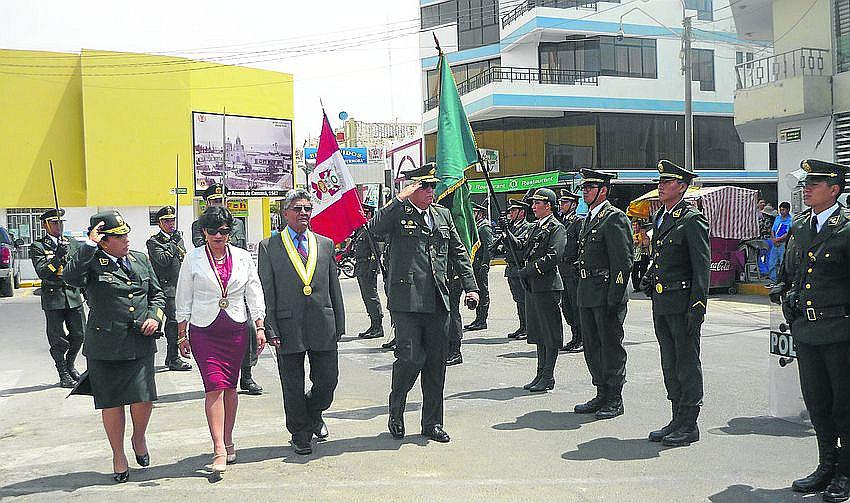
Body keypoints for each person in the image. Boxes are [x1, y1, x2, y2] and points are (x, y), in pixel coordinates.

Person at [368, 164, 478, 443]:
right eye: (424, 186)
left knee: (435, 365)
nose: (431, 191)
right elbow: (375, 227)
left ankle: (432, 423)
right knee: (409, 359)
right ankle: (396, 411)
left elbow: (458, 251)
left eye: (432, 186)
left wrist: (471, 287)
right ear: (412, 189)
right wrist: (399, 198)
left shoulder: (442, 214)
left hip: (438, 300)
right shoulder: (398, 213)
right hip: (406, 302)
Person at [64, 210, 165, 483]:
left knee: (144, 398)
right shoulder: (91, 262)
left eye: (126, 234)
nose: (126, 240)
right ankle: (118, 454)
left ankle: (139, 437)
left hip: (139, 342)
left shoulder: (140, 260)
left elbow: (157, 295)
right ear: (103, 241)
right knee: (112, 403)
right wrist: (87, 245)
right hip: (106, 345)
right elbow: (70, 278)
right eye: (119, 237)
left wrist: (155, 317)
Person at [772, 159, 850, 501]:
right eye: (806, 184)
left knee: (843, 406)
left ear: (834, 190)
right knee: (817, 403)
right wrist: (783, 289)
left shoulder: (846, 227)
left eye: (814, 184)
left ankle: (845, 472)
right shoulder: (802, 227)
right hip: (806, 330)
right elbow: (790, 271)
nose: (806, 189)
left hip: (840, 331)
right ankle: (826, 465)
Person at [175, 206, 266, 472]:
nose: (219, 235)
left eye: (224, 231)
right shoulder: (192, 259)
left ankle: (228, 439)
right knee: (214, 385)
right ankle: (217, 448)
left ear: (230, 233)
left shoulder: (242, 257)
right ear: (204, 232)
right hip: (204, 329)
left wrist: (259, 326)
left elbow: (254, 290)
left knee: (230, 387)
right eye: (213, 230)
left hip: (235, 328)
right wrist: (182, 335)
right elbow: (184, 297)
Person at [258, 189, 345, 456]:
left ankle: (315, 411)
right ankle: (300, 432)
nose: (304, 213)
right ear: (285, 213)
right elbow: (267, 290)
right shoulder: (269, 246)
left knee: (328, 381)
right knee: (292, 385)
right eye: (297, 209)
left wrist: (339, 323)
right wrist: (269, 326)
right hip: (287, 326)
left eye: (307, 208)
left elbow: (334, 287)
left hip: (322, 323)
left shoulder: (325, 243)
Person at [641, 160, 710, 447]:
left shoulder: (692, 219)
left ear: (681, 186)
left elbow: (701, 267)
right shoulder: (663, 218)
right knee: (669, 363)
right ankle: (676, 417)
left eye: (667, 182)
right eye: (660, 182)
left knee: (686, 363)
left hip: (682, 303)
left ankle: (689, 424)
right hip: (663, 302)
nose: (660, 186)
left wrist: (697, 306)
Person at [574, 169, 633, 420]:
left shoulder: (614, 218)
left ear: (604, 191)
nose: (585, 191)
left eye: (591, 187)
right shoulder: (588, 218)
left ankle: (614, 398)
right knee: (592, 345)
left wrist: (615, 297)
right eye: (584, 187)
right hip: (587, 292)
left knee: (610, 346)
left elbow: (623, 262)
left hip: (606, 293)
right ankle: (601, 391)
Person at [191, 183, 262, 395]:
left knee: (248, 329)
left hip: (236, 283)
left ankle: (247, 375)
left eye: (221, 200)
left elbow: (242, 247)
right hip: (212, 282)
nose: (218, 203)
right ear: (207, 202)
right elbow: (199, 246)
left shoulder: (237, 223)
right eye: (214, 201)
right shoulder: (199, 225)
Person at [501, 188, 566, 392]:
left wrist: (527, 270)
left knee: (549, 332)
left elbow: (553, 256)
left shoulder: (556, 228)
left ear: (548, 206)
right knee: (538, 333)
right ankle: (540, 373)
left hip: (547, 285)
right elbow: (522, 248)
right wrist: (507, 234)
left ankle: (548, 376)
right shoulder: (537, 227)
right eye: (533, 203)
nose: (533, 206)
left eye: (538, 203)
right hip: (533, 286)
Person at [29, 209, 86, 388]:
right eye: (54, 223)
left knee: (79, 334)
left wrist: (85, 291)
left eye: (61, 222)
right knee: (57, 338)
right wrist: (58, 257)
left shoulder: (71, 243)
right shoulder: (38, 246)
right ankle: (62, 372)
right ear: (45, 226)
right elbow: (44, 272)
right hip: (53, 297)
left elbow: (79, 268)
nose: (58, 226)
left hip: (73, 295)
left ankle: (70, 364)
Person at [146, 206, 192, 372]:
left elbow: (183, 258)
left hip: (179, 285)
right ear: (159, 223)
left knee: (176, 322)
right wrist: (173, 243)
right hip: (165, 288)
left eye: (173, 220)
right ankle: (173, 358)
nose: (171, 223)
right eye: (167, 220)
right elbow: (163, 259)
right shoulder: (153, 241)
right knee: (172, 323)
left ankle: (171, 357)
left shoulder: (177, 238)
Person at [491, 199, 532, 340]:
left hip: (520, 267)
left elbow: (518, 245)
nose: (511, 214)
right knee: (518, 300)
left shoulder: (527, 227)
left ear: (522, 213)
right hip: (511, 269)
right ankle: (522, 326)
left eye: (514, 211)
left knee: (524, 300)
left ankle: (528, 327)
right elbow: (506, 245)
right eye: (510, 211)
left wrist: (506, 231)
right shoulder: (513, 227)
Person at [557, 189, 584, 353]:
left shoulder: (578, 221)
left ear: (574, 204)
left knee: (576, 305)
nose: (562, 205)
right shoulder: (563, 222)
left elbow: (581, 245)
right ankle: (574, 336)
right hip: (563, 270)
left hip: (573, 270)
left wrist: (577, 265)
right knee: (567, 306)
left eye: (565, 202)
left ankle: (582, 338)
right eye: (561, 202)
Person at [353, 202, 384, 339]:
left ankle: (378, 326)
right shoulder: (361, 229)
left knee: (371, 296)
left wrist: (372, 269)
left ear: (369, 214)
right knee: (366, 297)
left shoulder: (371, 228)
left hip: (367, 267)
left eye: (364, 213)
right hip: (361, 266)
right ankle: (373, 324)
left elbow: (376, 251)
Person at [464, 203, 494, 331]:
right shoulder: (477, 226)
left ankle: (482, 320)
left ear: (480, 214)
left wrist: (485, 264)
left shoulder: (484, 227)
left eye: (474, 212)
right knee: (478, 292)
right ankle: (478, 319)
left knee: (483, 292)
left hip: (481, 264)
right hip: (475, 264)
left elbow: (489, 248)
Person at [768, 201, 792, 284]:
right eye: (780, 210)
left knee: (783, 263)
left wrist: (778, 240)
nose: (782, 212)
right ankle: (773, 280)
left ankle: (782, 280)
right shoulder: (777, 218)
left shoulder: (791, 220)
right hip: (775, 244)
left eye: (783, 210)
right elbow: (773, 230)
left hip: (783, 244)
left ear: (788, 210)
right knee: (772, 263)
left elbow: (788, 233)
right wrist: (774, 239)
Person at [631, 219, 651, 291]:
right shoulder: (631, 234)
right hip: (635, 256)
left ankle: (643, 286)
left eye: (636, 225)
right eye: (633, 225)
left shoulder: (643, 233)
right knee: (634, 273)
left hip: (643, 255)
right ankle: (636, 287)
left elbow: (647, 243)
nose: (635, 226)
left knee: (643, 271)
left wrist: (642, 239)